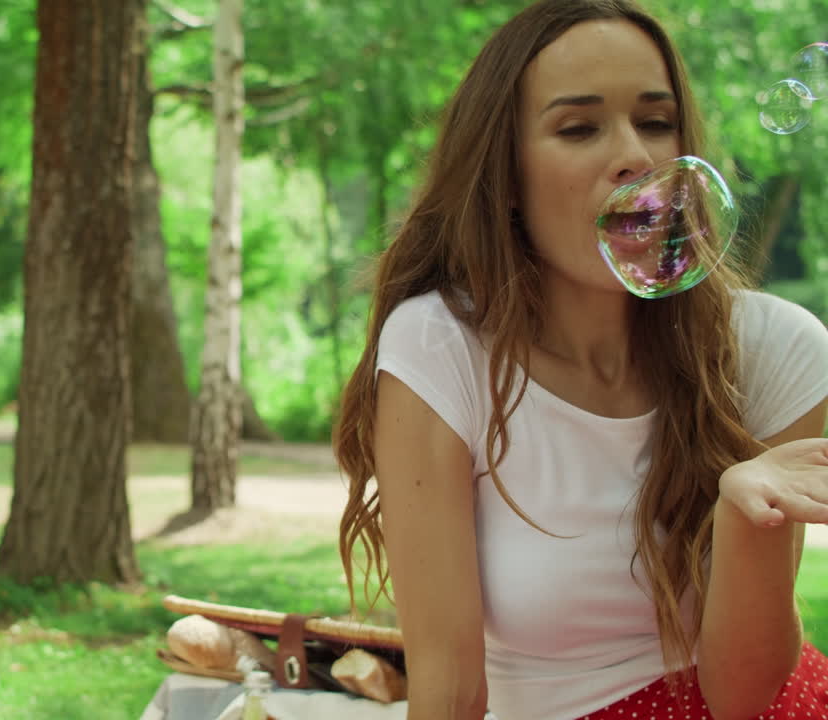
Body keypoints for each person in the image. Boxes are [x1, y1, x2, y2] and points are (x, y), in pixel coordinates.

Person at [332, 1, 828, 719]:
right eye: (579, 127)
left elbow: (744, 696)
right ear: (504, 178)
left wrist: (748, 511)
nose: (636, 155)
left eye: (656, 122)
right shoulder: (441, 345)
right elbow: (450, 692)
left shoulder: (777, 349)